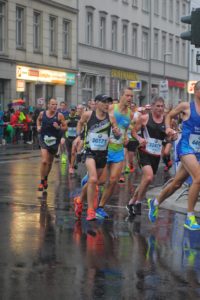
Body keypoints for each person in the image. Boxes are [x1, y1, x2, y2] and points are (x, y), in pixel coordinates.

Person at [148, 81, 200, 231]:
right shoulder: (186, 106)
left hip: (198, 150)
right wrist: (169, 128)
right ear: (197, 92)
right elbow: (169, 115)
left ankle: (156, 202)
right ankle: (190, 217)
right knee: (198, 178)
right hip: (185, 147)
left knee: (177, 184)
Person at [73, 94, 120, 221]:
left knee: (95, 181)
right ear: (97, 103)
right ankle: (90, 211)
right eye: (104, 102)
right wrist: (79, 136)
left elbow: (116, 134)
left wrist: (117, 133)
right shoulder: (88, 115)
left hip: (102, 153)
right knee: (93, 179)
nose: (106, 105)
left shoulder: (111, 118)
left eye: (108, 102)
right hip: (89, 152)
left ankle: (79, 200)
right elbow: (80, 123)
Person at [126, 96, 167, 219]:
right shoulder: (144, 118)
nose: (160, 108)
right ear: (152, 106)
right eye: (157, 106)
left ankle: (132, 202)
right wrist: (140, 138)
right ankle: (138, 202)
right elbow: (133, 131)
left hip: (155, 154)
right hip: (144, 151)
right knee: (148, 177)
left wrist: (171, 138)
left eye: (162, 106)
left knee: (146, 180)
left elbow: (168, 138)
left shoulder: (167, 121)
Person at [97, 87, 134, 218]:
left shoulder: (130, 114)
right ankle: (86, 185)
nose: (130, 98)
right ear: (121, 96)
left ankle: (100, 207)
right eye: (127, 95)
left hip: (118, 149)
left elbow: (124, 129)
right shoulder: (112, 108)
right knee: (99, 181)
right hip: (105, 148)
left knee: (113, 180)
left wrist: (126, 137)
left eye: (131, 96)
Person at [37, 98, 67, 191]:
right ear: (48, 105)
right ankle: (42, 182)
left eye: (56, 104)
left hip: (54, 141)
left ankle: (46, 178)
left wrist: (58, 127)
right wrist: (38, 126)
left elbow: (65, 127)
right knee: (44, 161)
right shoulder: (42, 114)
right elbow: (38, 120)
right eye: (53, 104)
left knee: (49, 163)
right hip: (44, 139)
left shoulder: (60, 115)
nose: (55, 106)